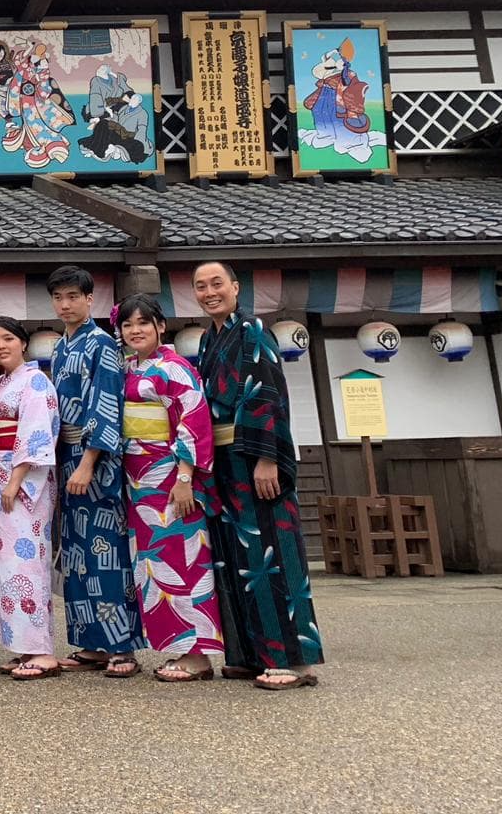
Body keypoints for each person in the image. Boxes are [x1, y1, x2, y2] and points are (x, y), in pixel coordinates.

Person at [193, 262, 324, 690]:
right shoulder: (209, 339)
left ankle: (292, 659)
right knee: (236, 557)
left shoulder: (252, 331)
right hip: (224, 462)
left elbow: (268, 391)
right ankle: (251, 654)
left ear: (235, 287)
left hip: (254, 457)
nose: (210, 292)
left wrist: (268, 457)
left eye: (217, 283)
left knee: (272, 553)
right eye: (201, 286)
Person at [116, 294, 224, 682]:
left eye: (143, 322)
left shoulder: (175, 368)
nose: (135, 330)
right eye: (128, 325)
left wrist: (184, 478)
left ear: (161, 326)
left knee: (183, 556)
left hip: (167, 472)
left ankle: (197, 654)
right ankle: (176, 648)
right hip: (137, 477)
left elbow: (192, 421)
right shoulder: (130, 367)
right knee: (153, 563)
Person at [47, 265, 141, 678]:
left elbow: (107, 404)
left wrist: (88, 461)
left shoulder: (102, 344)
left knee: (107, 550)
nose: (65, 304)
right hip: (65, 455)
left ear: (90, 300)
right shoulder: (60, 348)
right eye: (59, 298)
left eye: (73, 296)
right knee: (77, 553)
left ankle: (121, 646)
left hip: (95, 459)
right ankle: (91, 642)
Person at [0, 316, 62, 681]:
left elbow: (35, 432)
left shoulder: (36, 381)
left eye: (8, 339)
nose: (0, 346)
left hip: (21, 479)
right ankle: (22, 647)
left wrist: (16, 481)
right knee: (2, 565)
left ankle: (42, 651)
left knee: (26, 562)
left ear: (23, 343)